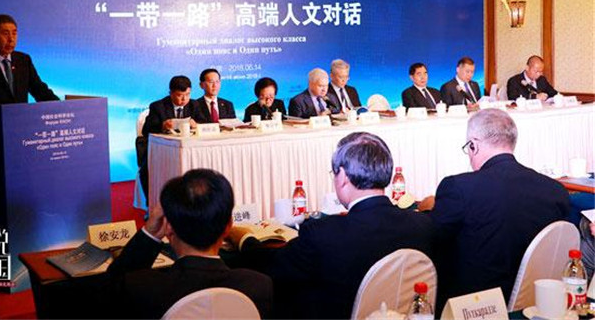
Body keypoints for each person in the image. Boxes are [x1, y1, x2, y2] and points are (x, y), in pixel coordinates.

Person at [234, 132, 434, 319]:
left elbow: (271, 266)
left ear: (343, 177)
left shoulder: (322, 235)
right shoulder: (424, 226)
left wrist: (244, 238)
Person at [419, 109, 570, 309]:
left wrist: (427, 212)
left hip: (472, 307)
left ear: (473, 145)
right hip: (533, 303)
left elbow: (432, 240)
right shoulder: (555, 191)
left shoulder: (459, 187)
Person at [105, 169, 273, 319]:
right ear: (228, 226)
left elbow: (108, 292)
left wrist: (149, 234)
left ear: (168, 227)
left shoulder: (141, 289)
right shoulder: (258, 287)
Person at [139, 76, 199, 201]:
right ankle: (152, 202)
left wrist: (197, 125)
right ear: (171, 93)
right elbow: (146, 130)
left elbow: (206, 125)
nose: (184, 99)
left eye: (187, 94)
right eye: (179, 95)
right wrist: (162, 126)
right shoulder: (158, 106)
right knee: (146, 170)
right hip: (161, 151)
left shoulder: (194, 105)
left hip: (189, 150)